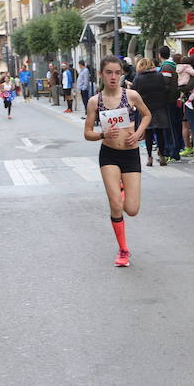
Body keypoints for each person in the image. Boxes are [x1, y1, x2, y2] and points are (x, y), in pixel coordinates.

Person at [83, 56, 152, 268]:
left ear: (121, 74)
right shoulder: (95, 101)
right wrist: (103, 135)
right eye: (109, 73)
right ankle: (123, 250)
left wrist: (139, 132)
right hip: (109, 155)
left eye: (117, 73)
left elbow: (147, 115)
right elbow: (87, 133)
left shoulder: (131, 95)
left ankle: (121, 189)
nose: (113, 77)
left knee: (131, 209)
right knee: (115, 205)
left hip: (130, 154)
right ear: (102, 74)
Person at [132, 58, 172, 166]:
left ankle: (149, 157)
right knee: (160, 133)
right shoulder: (159, 76)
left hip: (145, 109)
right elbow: (165, 88)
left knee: (148, 134)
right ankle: (162, 156)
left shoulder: (138, 78)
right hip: (160, 107)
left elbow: (133, 92)